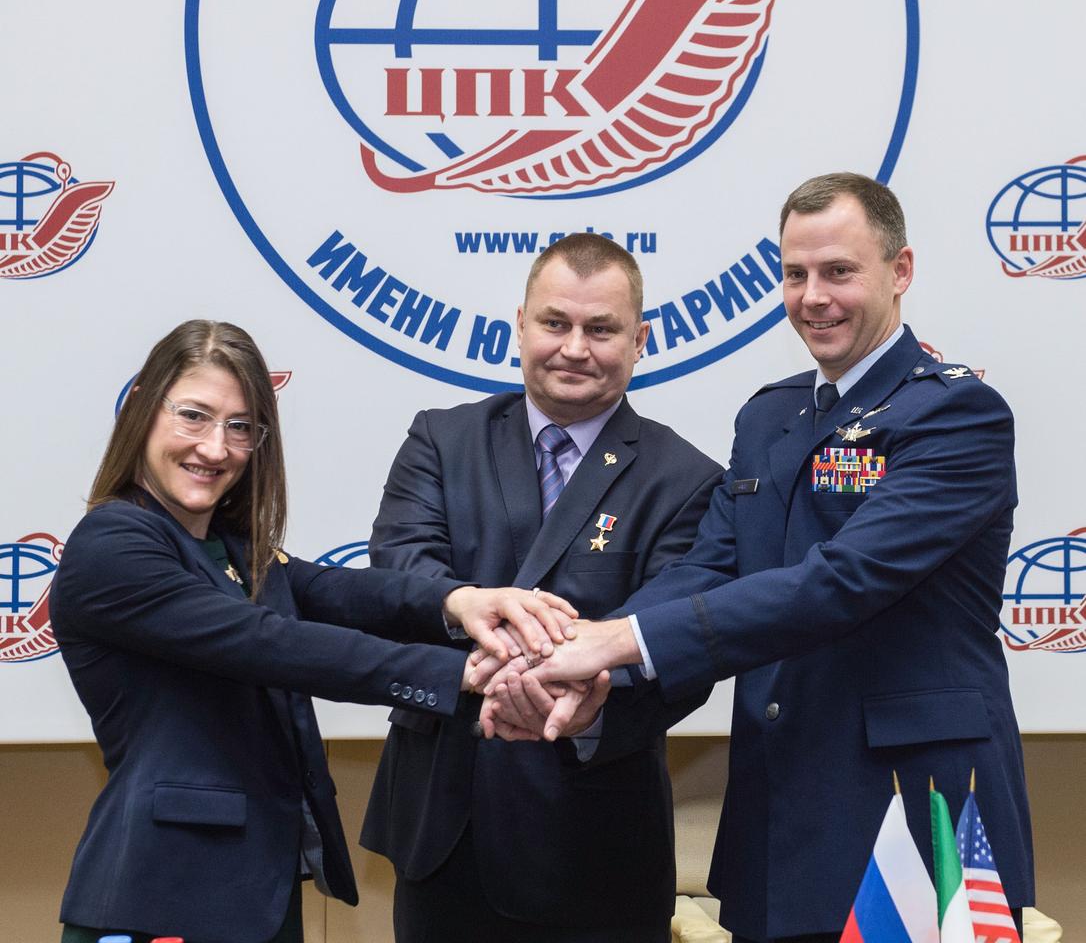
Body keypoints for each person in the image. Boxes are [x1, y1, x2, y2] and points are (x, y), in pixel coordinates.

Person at [478, 174, 1034, 943]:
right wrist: (585, 658)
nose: (814, 297)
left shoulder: (955, 413)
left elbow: (841, 582)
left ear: (899, 272)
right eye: (795, 273)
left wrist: (616, 642)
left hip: (914, 808)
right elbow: (710, 568)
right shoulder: (770, 415)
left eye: (839, 271)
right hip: (779, 802)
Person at [50, 319, 577, 943]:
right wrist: (460, 673)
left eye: (240, 427)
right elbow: (268, 643)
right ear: (141, 409)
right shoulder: (114, 543)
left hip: (254, 893)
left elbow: (343, 593)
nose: (216, 448)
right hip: (162, 899)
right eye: (194, 415)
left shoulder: (231, 549)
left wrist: (462, 601)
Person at [360, 234, 723, 943]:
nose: (574, 348)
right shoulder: (440, 439)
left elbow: (682, 647)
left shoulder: (686, 480)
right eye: (555, 323)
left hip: (597, 843)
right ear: (519, 324)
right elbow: (400, 568)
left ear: (641, 339)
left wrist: (578, 701)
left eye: (602, 329)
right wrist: (484, 624)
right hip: (445, 829)